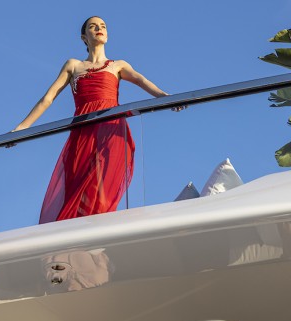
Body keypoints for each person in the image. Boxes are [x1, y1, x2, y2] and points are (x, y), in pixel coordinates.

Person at [13, 16, 175, 223]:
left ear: (107, 34)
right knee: (77, 190)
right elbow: (48, 98)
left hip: (112, 131)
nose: (99, 29)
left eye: (103, 26)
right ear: (84, 37)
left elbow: (141, 80)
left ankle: (99, 238)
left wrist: (165, 98)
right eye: (93, 26)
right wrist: (21, 128)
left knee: (102, 190)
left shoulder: (117, 65)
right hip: (83, 133)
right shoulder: (73, 66)